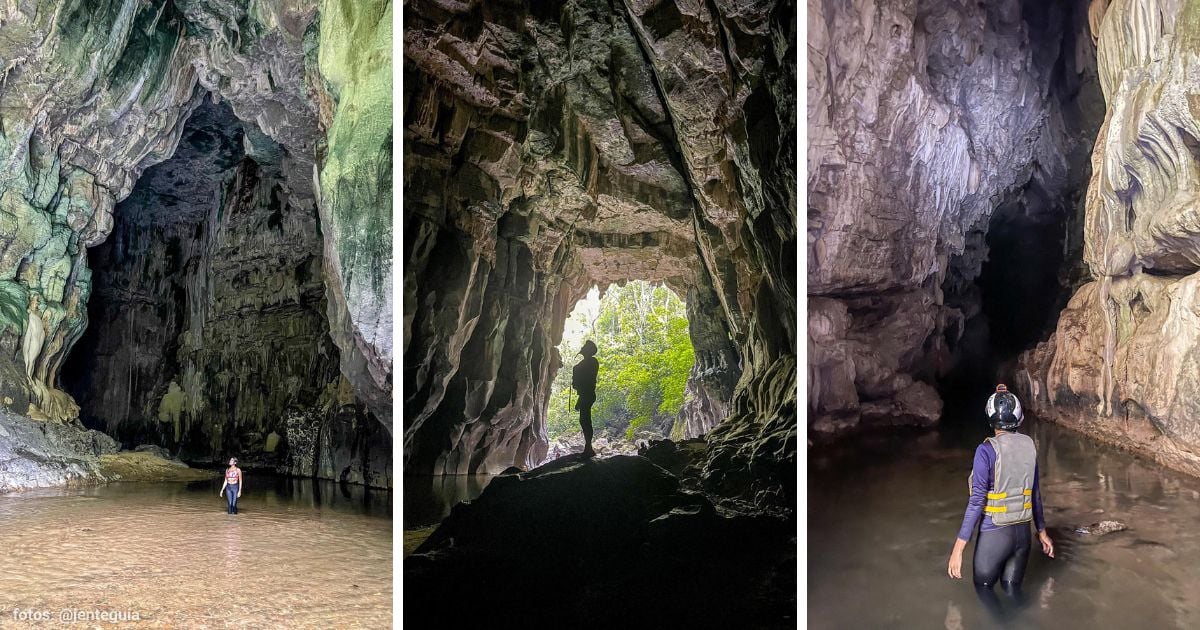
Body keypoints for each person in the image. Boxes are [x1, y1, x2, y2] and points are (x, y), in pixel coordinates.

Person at [947, 384, 1054, 619]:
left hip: (995, 534)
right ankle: (1031, 623)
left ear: (990, 418)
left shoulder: (985, 450)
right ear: (1019, 418)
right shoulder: (1029, 445)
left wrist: (958, 549)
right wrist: (1042, 532)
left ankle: (1003, 624)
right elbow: (1035, 493)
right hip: (1023, 534)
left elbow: (977, 501)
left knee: (984, 588)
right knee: (1012, 589)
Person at [571, 340, 599, 457]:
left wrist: (576, 371)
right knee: (584, 420)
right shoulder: (588, 363)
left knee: (585, 420)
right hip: (585, 394)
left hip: (587, 394)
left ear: (588, 350)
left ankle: (589, 448)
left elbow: (587, 380)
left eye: (584, 347)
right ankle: (588, 447)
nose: (582, 347)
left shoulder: (592, 362)